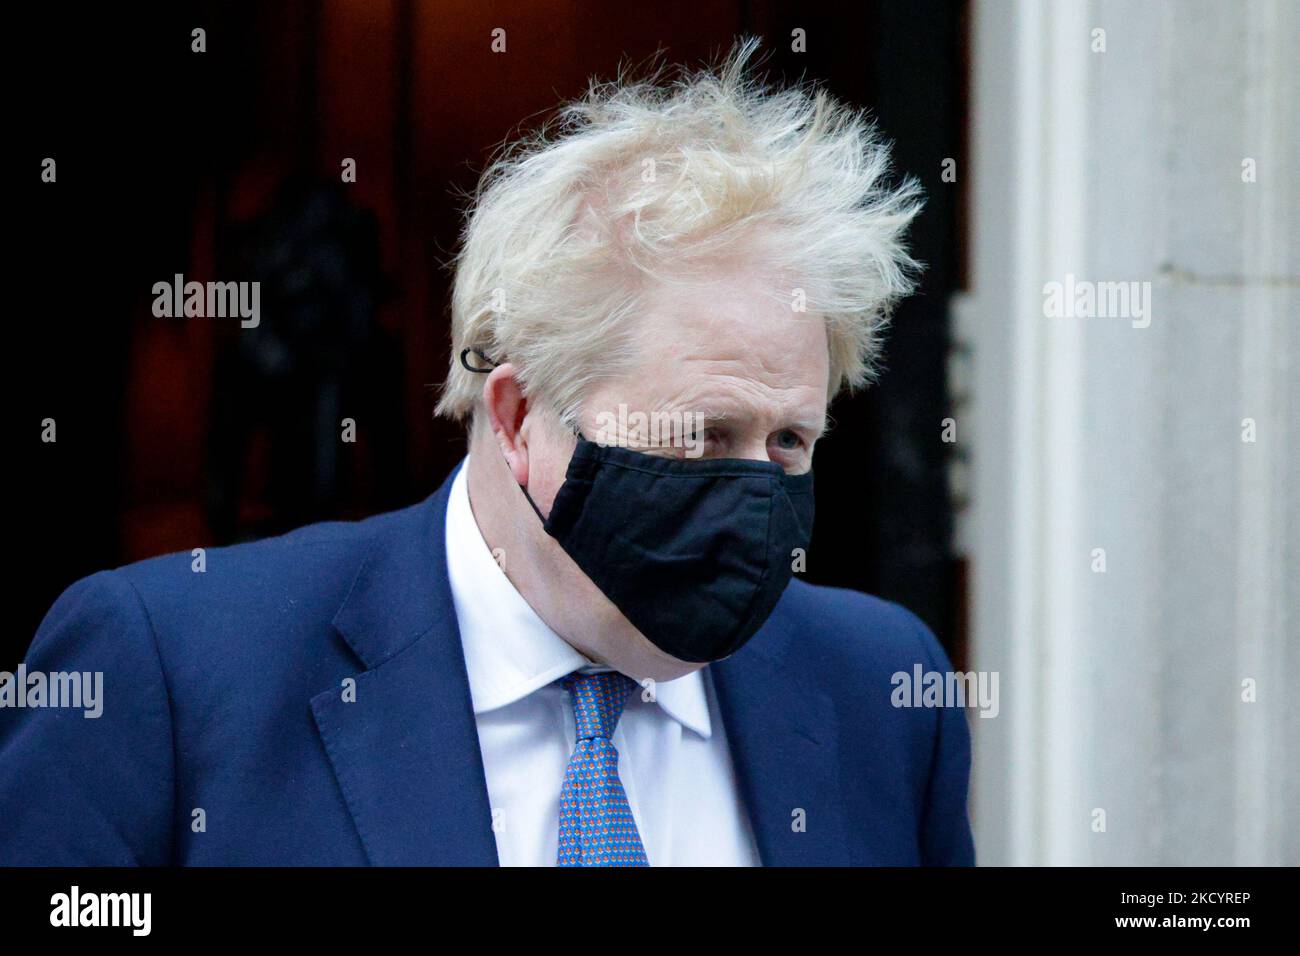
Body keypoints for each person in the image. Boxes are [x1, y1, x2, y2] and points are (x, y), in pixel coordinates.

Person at [0, 42, 973, 866]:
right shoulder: (172, 672)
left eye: (789, 440)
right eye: (702, 435)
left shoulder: (880, 689)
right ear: (515, 414)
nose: (755, 488)